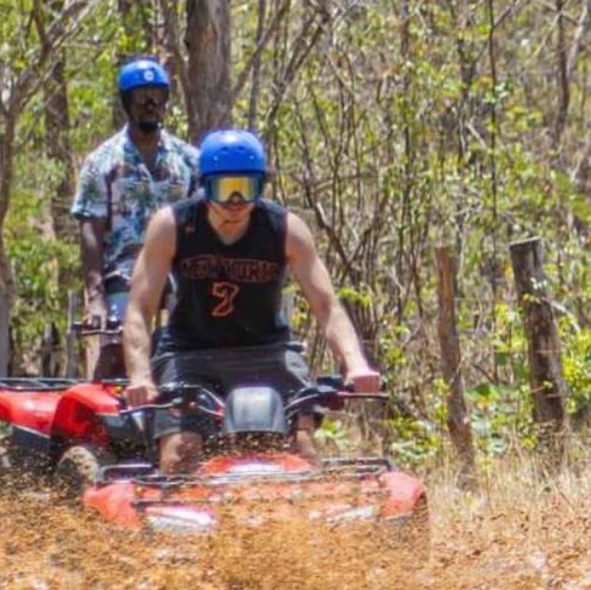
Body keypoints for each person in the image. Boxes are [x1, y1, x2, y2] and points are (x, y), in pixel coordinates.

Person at [122, 128, 380, 472]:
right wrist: (140, 376)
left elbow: (327, 307)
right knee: (180, 453)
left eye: (246, 188)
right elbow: (139, 310)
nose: (235, 202)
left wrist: (355, 363)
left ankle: (306, 524)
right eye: (224, 189)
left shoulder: (285, 229)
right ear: (204, 185)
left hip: (269, 355)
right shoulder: (171, 226)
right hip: (190, 356)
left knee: (300, 450)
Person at [71, 57, 200, 379]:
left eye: (157, 96)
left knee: (188, 350)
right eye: (141, 97)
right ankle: (96, 422)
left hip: (180, 271)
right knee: (118, 350)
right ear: (127, 103)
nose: (150, 104)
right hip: (124, 271)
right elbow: (90, 229)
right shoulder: (102, 161)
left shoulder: (189, 160)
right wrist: (96, 298)